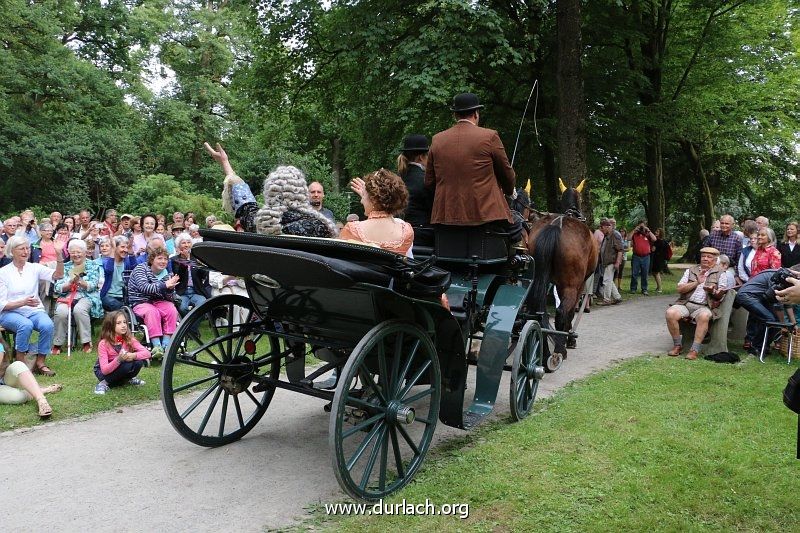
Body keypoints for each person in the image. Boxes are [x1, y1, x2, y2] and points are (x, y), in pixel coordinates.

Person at [423, 93, 521, 243]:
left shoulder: (437, 140)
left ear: (455, 115)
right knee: (519, 229)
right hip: (486, 215)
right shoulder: (490, 136)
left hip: (445, 216)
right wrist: (509, 190)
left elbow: (429, 182)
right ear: (476, 113)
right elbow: (507, 174)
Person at [204, 142, 337, 237]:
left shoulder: (261, 224)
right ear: (302, 193)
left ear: (271, 193)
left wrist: (225, 163)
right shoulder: (320, 226)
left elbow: (246, 204)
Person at [0, 235, 65, 376]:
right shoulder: (3, 273)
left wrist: (59, 253)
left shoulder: (34, 268)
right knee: (25, 325)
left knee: (47, 325)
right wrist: (22, 302)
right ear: (12, 251)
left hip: (33, 310)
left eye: (27, 248)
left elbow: (58, 275)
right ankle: (20, 365)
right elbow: (1, 304)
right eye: (21, 248)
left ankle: (40, 363)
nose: (26, 251)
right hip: (9, 312)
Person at [665, 247, 728, 360]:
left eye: (709, 257)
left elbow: (720, 295)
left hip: (704, 306)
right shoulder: (691, 270)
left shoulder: (721, 273)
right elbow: (680, 289)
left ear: (715, 259)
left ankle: (694, 349)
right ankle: (677, 345)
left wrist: (713, 291)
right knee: (670, 313)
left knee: (704, 316)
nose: (705, 259)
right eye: (703, 256)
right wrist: (697, 282)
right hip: (686, 303)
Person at [342, 169, 414, 256]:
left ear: (373, 200)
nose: (361, 201)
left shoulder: (352, 230)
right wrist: (370, 199)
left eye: (363, 195)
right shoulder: (406, 231)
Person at [126, 244, 179, 359]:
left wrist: (170, 289)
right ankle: (157, 345)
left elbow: (170, 297)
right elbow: (144, 288)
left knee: (171, 309)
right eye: (159, 258)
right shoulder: (141, 269)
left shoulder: (168, 274)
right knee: (152, 311)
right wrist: (165, 285)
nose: (163, 261)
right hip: (140, 301)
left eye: (165, 259)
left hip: (159, 301)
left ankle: (167, 343)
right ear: (151, 259)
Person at [52, 239, 104, 354]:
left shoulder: (93, 265)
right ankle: (57, 343)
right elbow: (58, 287)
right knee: (61, 311)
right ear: (69, 253)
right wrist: (69, 283)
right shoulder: (65, 266)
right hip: (67, 295)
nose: (76, 255)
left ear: (85, 252)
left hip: (87, 295)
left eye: (79, 252)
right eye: (73, 252)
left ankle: (86, 342)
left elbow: (93, 285)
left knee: (79, 310)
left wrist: (80, 282)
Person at [0, 337, 62, 417]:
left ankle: (42, 401)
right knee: (18, 398)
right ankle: (42, 390)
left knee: (18, 365)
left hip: (5, 377)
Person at [93, 311, 150, 395]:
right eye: (118, 323)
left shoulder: (127, 339)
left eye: (124, 322)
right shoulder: (104, 343)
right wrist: (118, 359)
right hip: (104, 373)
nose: (123, 325)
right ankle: (103, 383)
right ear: (110, 326)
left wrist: (133, 355)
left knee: (138, 362)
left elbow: (147, 353)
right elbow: (104, 370)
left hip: (121, 367)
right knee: (126, 365)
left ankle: (127, 379)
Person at [396, 134, 434, 244]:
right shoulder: (426, 179)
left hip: (400, 232)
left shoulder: (398, 178)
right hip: (423, 234)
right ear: (421, 157)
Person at [170, 233, 211, 316]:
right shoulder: (174, 260)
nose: (186, 245)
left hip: (196, 291)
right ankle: (192, 327)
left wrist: (202, 264)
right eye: (183, 243)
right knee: (182, 308)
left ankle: (191, 328)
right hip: (182, 292)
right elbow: (178, 276)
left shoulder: (197, 259)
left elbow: (204, 275)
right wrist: (185, 260)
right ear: (179, 246)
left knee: (202, 306)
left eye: (188, 242)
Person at [100, 236, 138, 311]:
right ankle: (126, 312)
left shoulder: (127, 261)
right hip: (109, 296)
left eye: (127, 247)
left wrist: (131, 252)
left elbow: (136, 270)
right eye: (122, 247)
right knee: (112, 303)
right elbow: (109, 270)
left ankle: (125, 311)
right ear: (115, 247)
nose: (125, 250)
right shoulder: (107, 261)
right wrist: (113, 250)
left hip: (124, 296)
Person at [705, 214, 743, 278]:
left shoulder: (737, 238)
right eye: (722, 223)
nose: (724, 225)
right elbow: (705, 251)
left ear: (732, 225)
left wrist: (737, 275)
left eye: (727, 223)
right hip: (712, 266)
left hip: (729, 268)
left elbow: (739, 259)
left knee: (726, 277)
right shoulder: (713, 235)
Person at [596, 220, 623, 305]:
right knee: (609, 280)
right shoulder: (607, 235)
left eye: (602, 227)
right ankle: (617, 297)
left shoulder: (614, 234)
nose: (601, 229)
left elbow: (620, 250)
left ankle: (606, 299)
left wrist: (618, 262)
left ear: (608, 227)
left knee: (606, 280)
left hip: (611, 262)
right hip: (608, 262)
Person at [629, 220, 656, 295]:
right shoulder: (635, 234)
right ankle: (633, 288)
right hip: (636, 256)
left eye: (642, 226)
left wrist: (648, 230)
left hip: (646, 257)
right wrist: (634, 230)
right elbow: (628, 238)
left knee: (645, 273)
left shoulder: (647, 234)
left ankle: (644, 289)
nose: (641, 228)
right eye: (640, 226)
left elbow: (654, 239)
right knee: (634, 273)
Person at [650, 228, 671, 294]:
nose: (655, 232)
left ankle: (660, 288)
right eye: (656, 231)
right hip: (661, 259)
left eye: (657, 232)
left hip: (657, 259)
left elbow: (653, 250)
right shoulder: (664, 241)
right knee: (654, 273)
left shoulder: (657, 241)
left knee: (656, 273)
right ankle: (658, 287)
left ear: (660, 233)